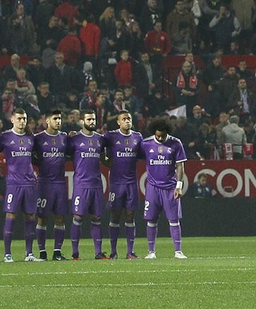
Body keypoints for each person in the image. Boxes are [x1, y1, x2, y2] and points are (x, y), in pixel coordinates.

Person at [141, 118, 188, 259]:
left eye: (162, 135)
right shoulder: (146, 143)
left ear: (168, 132)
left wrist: (179, 186)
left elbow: (180, 165)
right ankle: (151, 252)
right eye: (157, 136)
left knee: (174, 220)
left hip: (170, 187)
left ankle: (178, 251)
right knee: (151, 220)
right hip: (152, 187)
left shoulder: (176, 143)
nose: (160, 138)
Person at [0, 109, 39, 262]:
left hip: (29, 183)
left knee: (30, 216)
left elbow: (36, 158)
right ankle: (7, 254)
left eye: (25, 119)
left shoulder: (30, 138)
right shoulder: (5, 137)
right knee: (11, 215)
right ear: (12, 119)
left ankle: (29, 253)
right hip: (14, 183)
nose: (22, 121)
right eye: (20, 118)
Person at [69, 112, 108, 260]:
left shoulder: (100, 140)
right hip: (81, 184)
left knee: (97, 217)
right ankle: (75, 253)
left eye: (94, 119)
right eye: (89, 119)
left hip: (96, 184)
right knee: (78, 217)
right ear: (81, 121)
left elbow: (104, 158)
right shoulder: (74, 139)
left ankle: (98, 252)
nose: (92, 122)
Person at [34, 108, 70, 260]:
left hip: (60, 183)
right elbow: (30, 155)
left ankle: (57, 252)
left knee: (60, 217)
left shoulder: (65, 138)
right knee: (42, 217)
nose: (58, 121)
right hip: (45, 183)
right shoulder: (38, 138)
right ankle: (42, 252)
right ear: (47, 121)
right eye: (55, 118)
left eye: (59, 118)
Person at [105, 111, 142, 259]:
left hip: (131, 183)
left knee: (130, 216)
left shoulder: (138, 137)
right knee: (115, 216)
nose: (127, 121)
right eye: (124, 119)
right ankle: (113, 252)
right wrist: (104, 160)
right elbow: (97, 146)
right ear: (118, 122)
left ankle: (130, 252)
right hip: (116, 183)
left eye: (129, 119)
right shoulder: (110, 136)